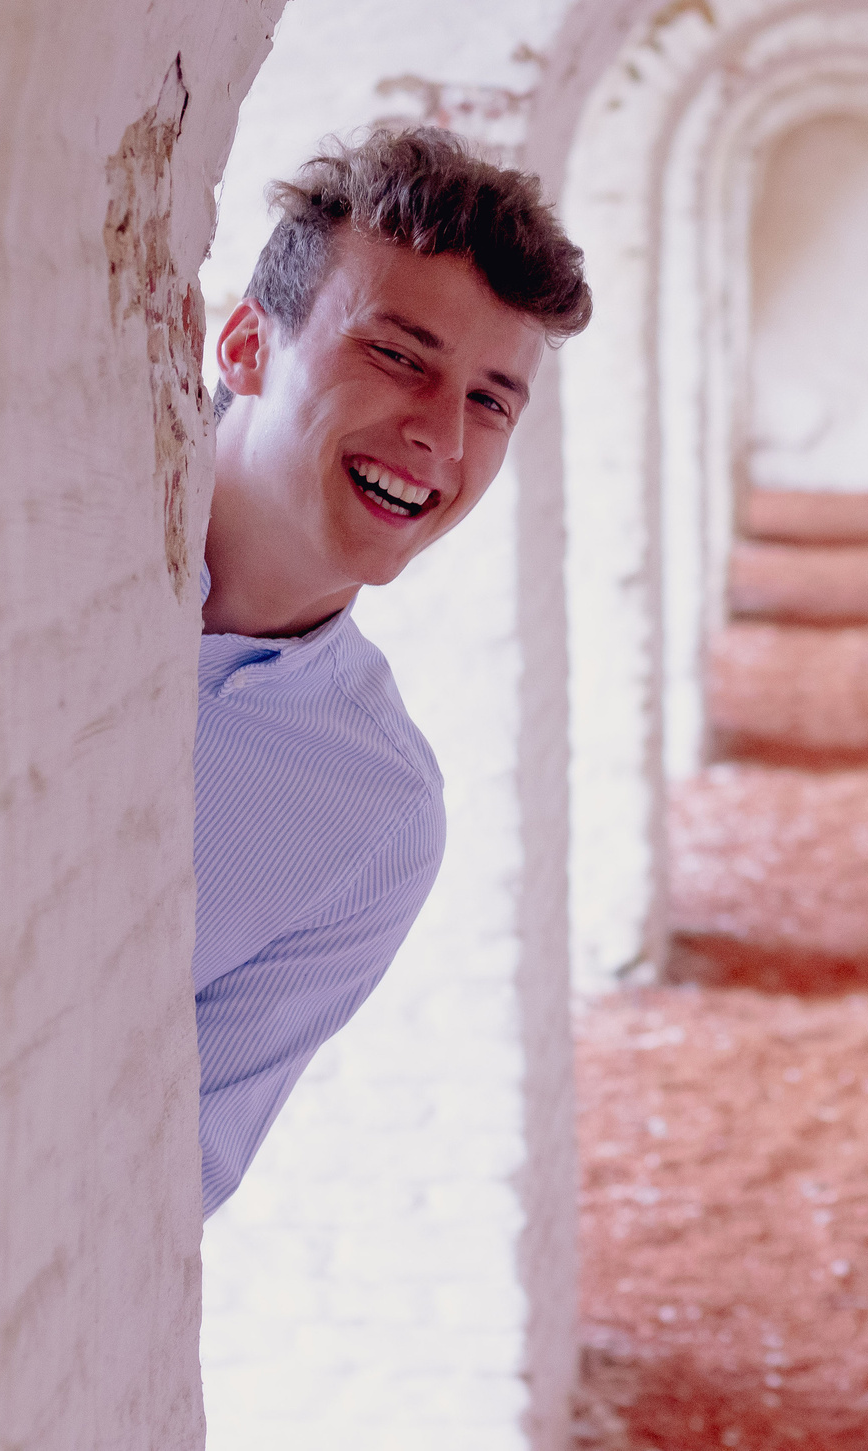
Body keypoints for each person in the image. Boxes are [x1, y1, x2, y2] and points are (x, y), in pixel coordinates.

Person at [194, 124, 589, 1217]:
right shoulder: (4, 558)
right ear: (244, 348)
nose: (439, 438)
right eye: (398, 356)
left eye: (489, 400)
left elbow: (162, 1167)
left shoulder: (371, 819)